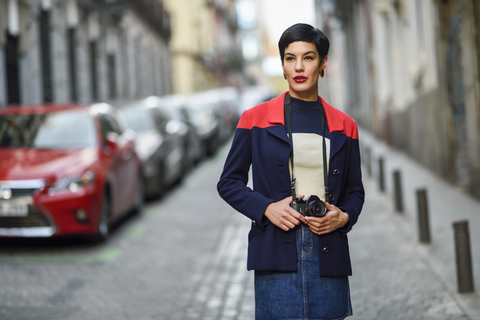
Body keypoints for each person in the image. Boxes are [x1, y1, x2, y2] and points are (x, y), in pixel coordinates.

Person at [217, 23, 364, 320]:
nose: (299, 67)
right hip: (275, 250)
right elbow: (229, 182)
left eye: (308, 58)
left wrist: (344, 216)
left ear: (323, 64)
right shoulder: (254, 119)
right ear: (283, 65)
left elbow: (354, 190)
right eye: (290, 58)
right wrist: (267, 207)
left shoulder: (344, 125)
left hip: (328, 249)